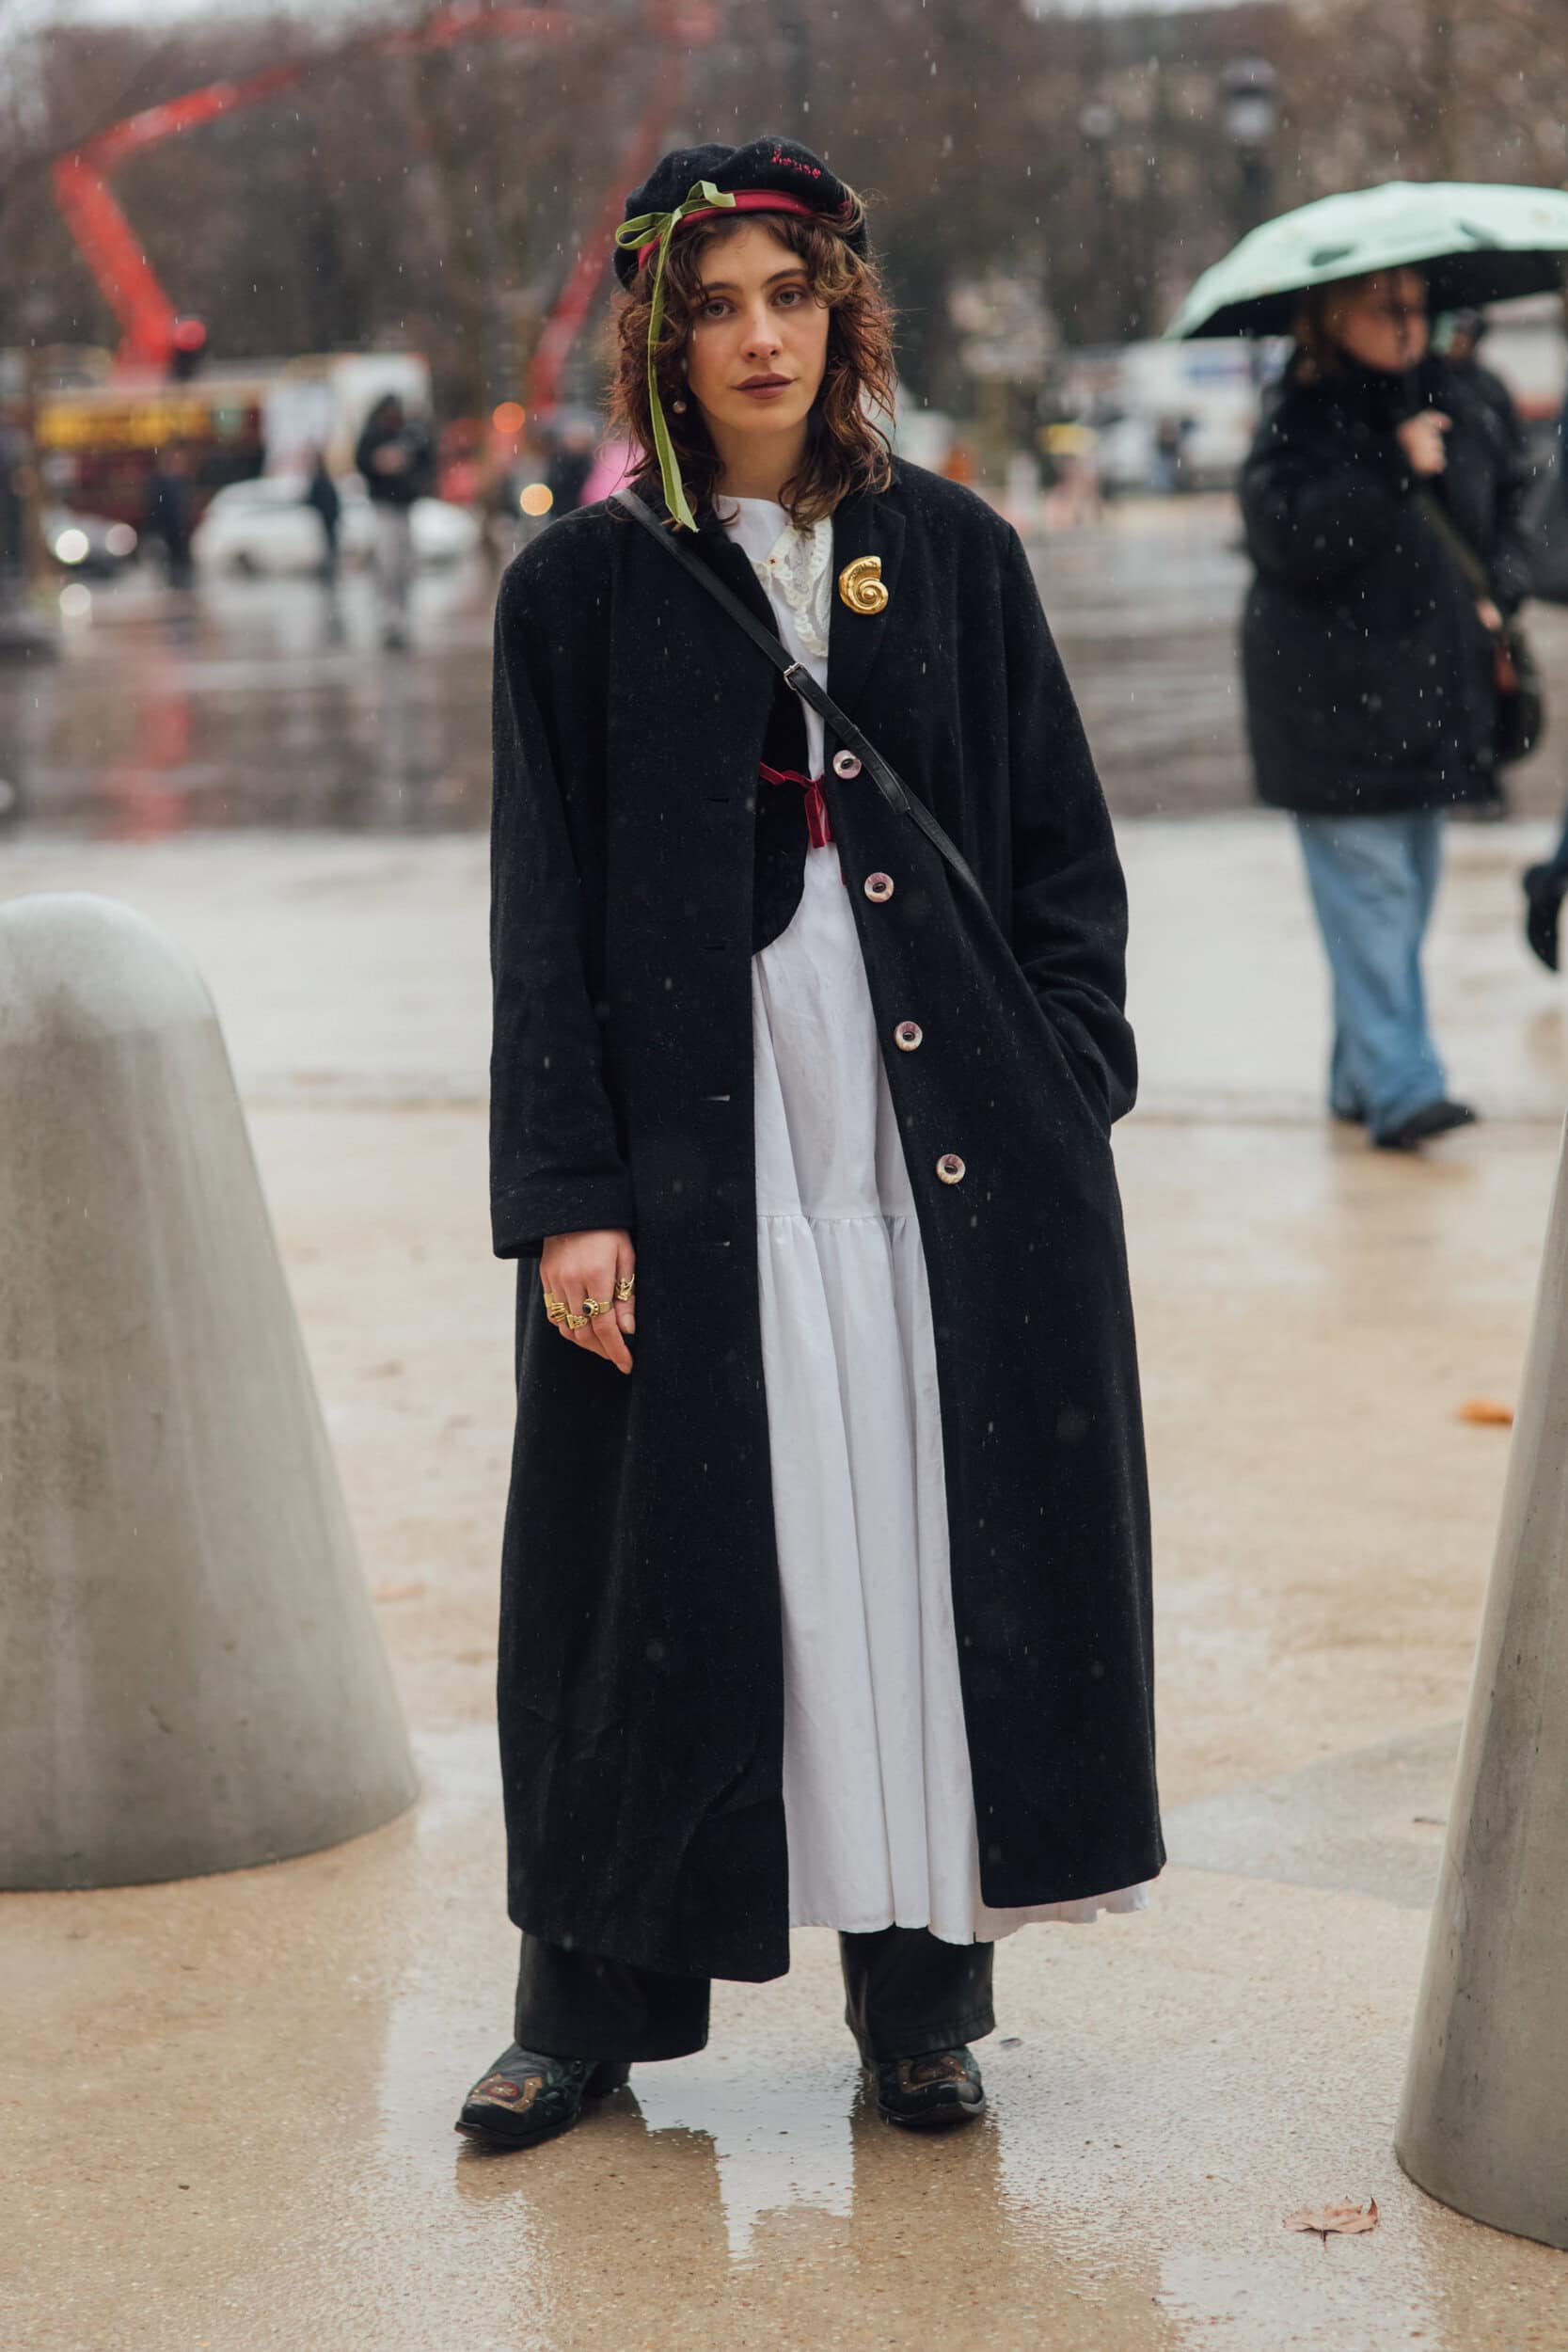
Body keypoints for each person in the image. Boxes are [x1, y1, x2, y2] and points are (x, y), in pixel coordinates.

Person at [459, 135, 1163, 2155]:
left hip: (929, 1147)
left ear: (840, 310)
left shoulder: (950, 551)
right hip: (695, 1155)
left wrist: (1064, 1079)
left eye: (787, 295)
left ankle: (919, 2001)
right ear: (659, 341)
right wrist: (566, 1196)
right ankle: (580, 2005)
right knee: (641, 1576)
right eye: (712, 305)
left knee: (915, 1553)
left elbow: (1056, 854)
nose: (756, 337)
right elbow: (539, 918)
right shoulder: (578, 590)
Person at [1239, 266, 1532, 1152]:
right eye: (1384, 307)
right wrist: (1388, 465)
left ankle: (1355, 1077)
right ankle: (1404, 1089)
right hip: (1329, 707)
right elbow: (1286, 538)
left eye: (1416, 305)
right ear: (1333, 317)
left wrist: (1500, 589)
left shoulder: (1458, 397)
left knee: (1398, 907)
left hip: (1428, 699)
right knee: (1372, 903)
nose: (1407, 323)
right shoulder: (1301, 414)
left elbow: (1512, 510)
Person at [354, 393, 436, 648]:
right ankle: (389, 618)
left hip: (404, 506)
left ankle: (400, 617)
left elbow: (427, 460)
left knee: (405, 565)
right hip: (384, 507)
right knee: (388, 563)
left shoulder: (410, 434)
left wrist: (411, 472)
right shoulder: (373, 435)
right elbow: (363, 461)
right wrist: (380, 463)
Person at [145, 444, 198, 590]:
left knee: (182, 567)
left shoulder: (183, 481)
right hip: (170, 533)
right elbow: (156, 510)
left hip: (181, 533)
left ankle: (181, 588)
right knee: (172, 568)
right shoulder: (161, 483)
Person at [302, 446, 341, 582]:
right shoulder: (322, 481)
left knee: (329, 548)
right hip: (326, 520)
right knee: (328, 548)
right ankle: (327, 572)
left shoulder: (321, 481)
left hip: (328, 520)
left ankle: (328, 572)